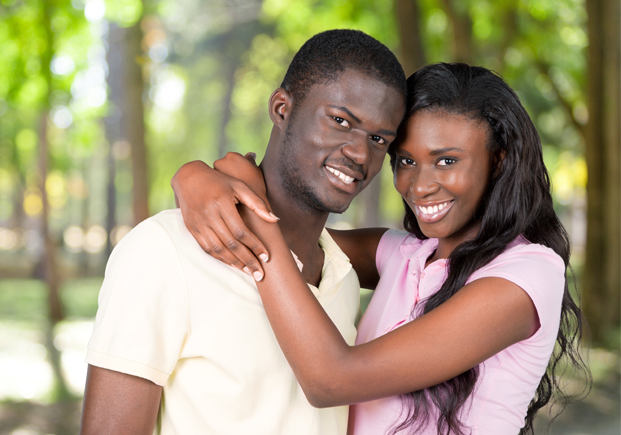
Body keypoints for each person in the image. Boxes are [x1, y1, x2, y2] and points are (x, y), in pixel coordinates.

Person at [171, 63, 589, 434]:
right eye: (406, 161)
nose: (420, 185)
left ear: (497, 161)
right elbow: (296, 239)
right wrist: (193, 178)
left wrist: (252, 214)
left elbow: (331, 379)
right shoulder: (404, 255)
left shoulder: (527, 274)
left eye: (447, 161)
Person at [79, 29, 407, 435]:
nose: (360, 154)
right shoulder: (164, 251)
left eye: (378, 139)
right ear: (282, 109)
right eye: (340, 121)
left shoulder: (343, 277)